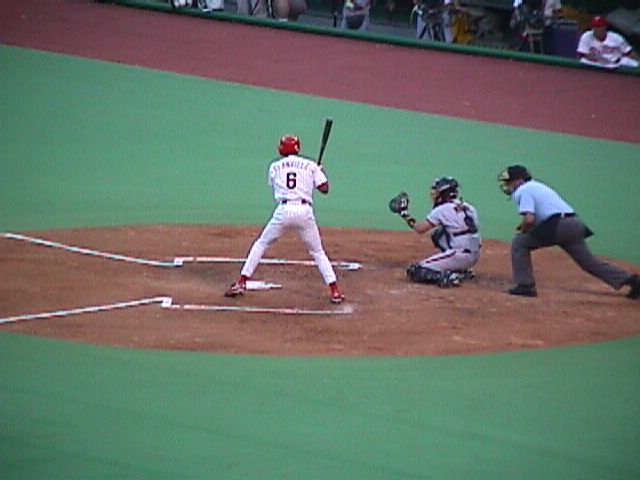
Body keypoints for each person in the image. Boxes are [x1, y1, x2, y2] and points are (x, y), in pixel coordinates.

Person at [224, 135, 345, 304]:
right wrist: (317, 172)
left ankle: (242, 282)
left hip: (283, 211)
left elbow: (279, 184)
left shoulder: (274, 166)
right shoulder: (310, 165)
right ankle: (335, 291)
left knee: (261, 243)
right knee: (318, 252)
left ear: (284, 149)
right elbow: (325, 189)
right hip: (304, 212)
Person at [498, 165, 640, 299]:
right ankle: (633, 281)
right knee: (589, 263)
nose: (508, 185)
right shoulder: (537, 186)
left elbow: (529, 219)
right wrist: (525, 227)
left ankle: (525, 286)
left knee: (520, 243)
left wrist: (523, 231)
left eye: (510, 182)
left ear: (520, 181)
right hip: (574, 225)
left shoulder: (523, 190)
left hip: (558, 226)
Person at [392, 177, 481, 287]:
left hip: (461, 255)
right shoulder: (468, 207)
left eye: (437, 192)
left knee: (416, 270)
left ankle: (450, 276)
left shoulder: (441, 210)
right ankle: (462, 270)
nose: (434, 195)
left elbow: (420, 229)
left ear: (444, 193)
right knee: (438, 235)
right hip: (475, 253)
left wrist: (404, 213)